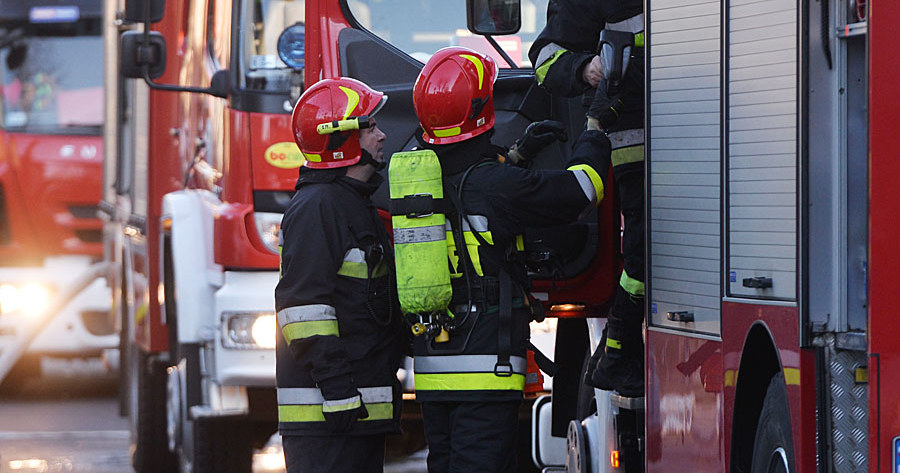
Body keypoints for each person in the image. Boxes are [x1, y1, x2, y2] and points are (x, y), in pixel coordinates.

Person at [407, 46, 611, 473]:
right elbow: (583, 192)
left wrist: (516, 155)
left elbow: (473, 188)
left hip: (433, 375)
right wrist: (594, 129)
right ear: (481, 111)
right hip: (485, 373)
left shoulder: (417, 184)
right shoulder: (498, 186)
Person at [274, 77, 404, 473]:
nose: (382, 136)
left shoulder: (349, 202)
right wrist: (338, 391)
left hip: (352, 414)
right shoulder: (319, 208)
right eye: (370, 128)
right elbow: (303, 309)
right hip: (330, 417)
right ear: (340, 140)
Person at [529, 0, 646, 397]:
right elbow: (545, 60)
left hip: (710, 127)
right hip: (638, 140)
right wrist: (585, 68)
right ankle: (618, 351)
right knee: (647, 253)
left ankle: (616, 353)